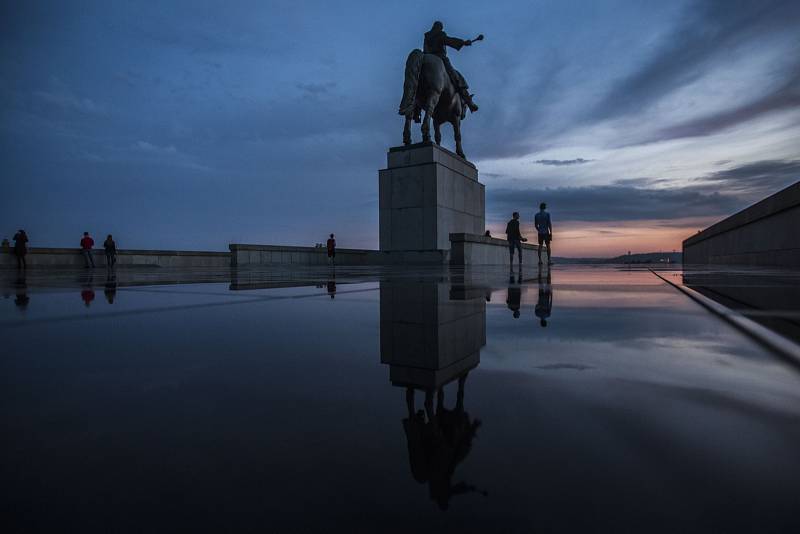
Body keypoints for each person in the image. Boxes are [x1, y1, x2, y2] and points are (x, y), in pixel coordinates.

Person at [423, 21, 479, 113]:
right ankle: (469, 102)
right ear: (440, 28)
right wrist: (463, 42)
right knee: (457, 77)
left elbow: (425, 49)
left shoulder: (427, 36)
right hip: (440, 58)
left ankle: (415, 111)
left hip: (425, 58)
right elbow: (449, 41)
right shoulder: (440, 34)